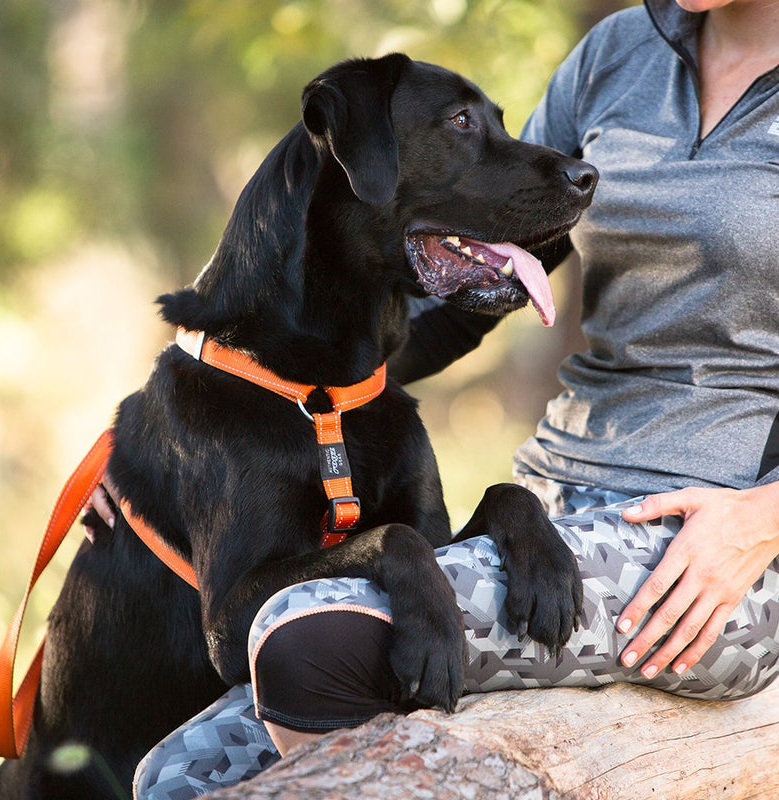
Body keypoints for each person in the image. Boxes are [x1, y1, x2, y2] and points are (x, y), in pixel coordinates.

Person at [90, 0, 779, 795]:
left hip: (712, 540)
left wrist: (759, 519)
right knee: (173, 775)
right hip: (554, 507)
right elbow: (479, 263)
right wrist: (181, 433)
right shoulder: (620, 51)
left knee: (308, 643)